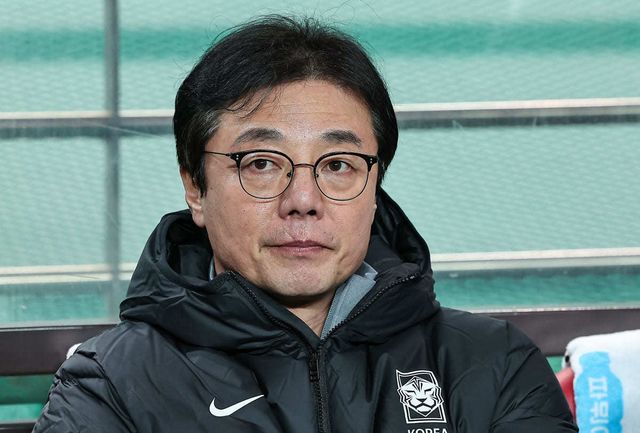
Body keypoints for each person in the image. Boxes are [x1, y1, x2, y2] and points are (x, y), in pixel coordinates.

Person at [34, 15, 577, 433]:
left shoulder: (491, 363)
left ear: (375, 185)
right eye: (261, 164)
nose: (302, 201)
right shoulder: (113, 385)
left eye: (338, 165)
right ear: (195, 188)